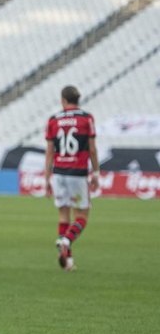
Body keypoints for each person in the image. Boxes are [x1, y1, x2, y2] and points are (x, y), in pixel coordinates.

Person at [45, 85, 99, 271]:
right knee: (82, 215)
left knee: (63, 215)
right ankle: (66, 240)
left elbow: (50, 151)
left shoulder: (53, 120)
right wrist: (96, 173)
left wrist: (46, 179)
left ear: (63, 100)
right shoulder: (86, 118)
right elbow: (91, 148)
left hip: (59, 172)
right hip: (77, 172)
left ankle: (67, 262)